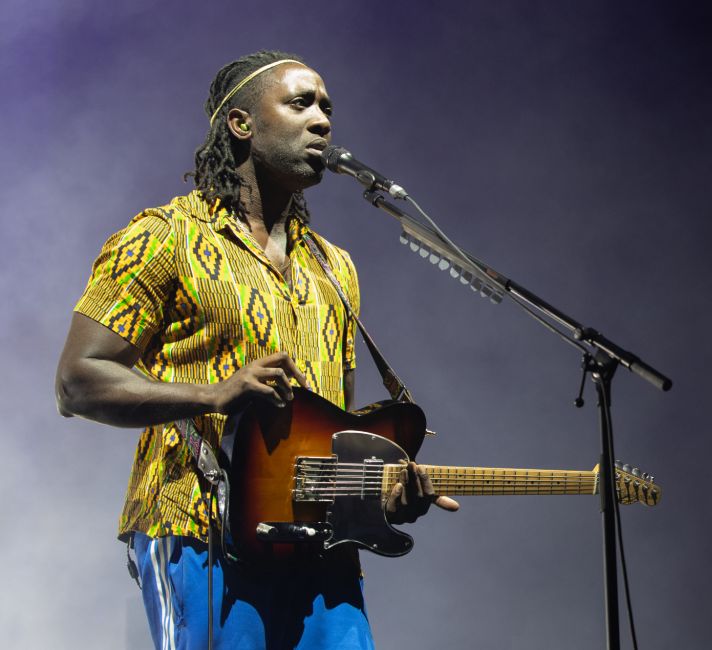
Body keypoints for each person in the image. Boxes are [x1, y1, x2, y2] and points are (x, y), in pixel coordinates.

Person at [55, 50, 458, 649]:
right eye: (301, 103)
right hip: (198, 529)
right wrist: (212, 394)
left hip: (317, 549)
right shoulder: (163, 237)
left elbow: (332, 432)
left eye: (327, 108)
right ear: (242, 124)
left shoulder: (333, 265)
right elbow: (77, 381)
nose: (322, 120)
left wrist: (379, 499)